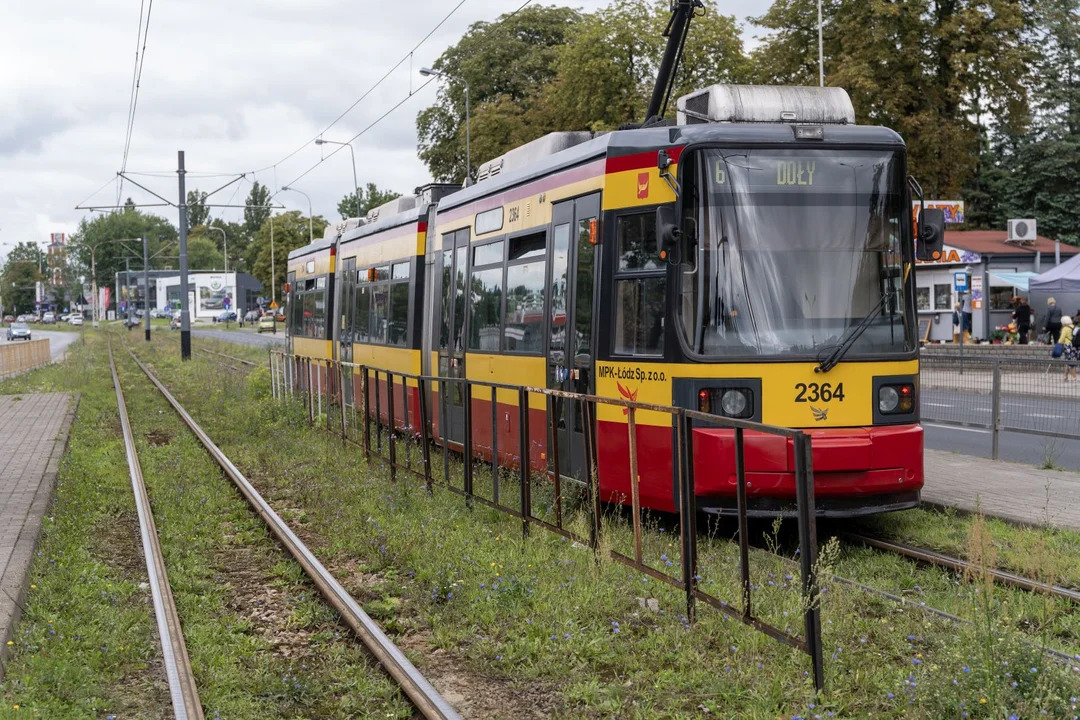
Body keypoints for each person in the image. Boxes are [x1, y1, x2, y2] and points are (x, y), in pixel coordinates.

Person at [1060, 316, 1078, 382]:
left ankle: (1074, 378)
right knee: (1068, 361)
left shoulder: (1065, 328)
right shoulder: (1073, 326)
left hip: (1067, 346)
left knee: (1069, 361)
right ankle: (1065, 377)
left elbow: (1062, 338)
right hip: (1074, 346)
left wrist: (1058, 344)